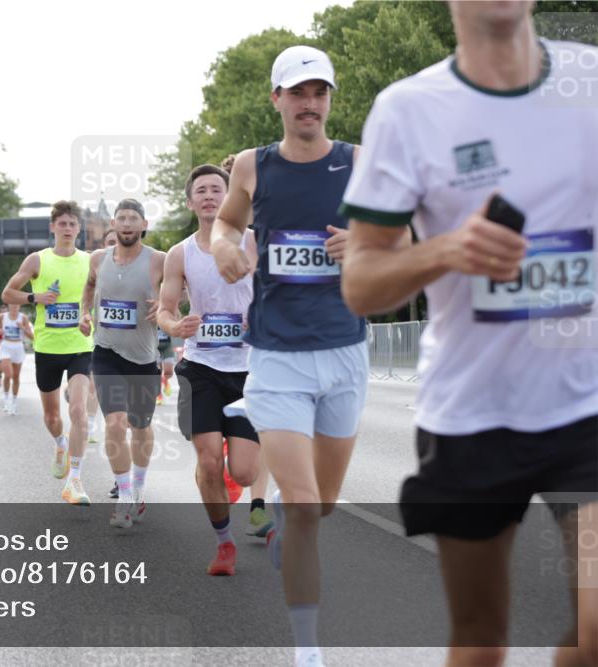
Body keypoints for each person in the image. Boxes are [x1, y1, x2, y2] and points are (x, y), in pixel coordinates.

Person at [339, 3, 598, 665]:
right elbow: (362, 281)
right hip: (473, 414)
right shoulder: (409, 109)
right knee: (482, 638)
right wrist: (446, 251)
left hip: (585, 404)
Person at [211, 45, 362, 667]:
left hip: (346, 351)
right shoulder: (252, 166)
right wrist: (225, 246)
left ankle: (288, 519)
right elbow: (225, 224)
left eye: (319, 92)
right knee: (302, 508)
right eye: (298, 92)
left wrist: (369, 240)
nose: (310, 103)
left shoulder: (361, 163)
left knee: (320, 506)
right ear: (276, 99)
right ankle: (308, 652)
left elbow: (407, 232)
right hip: (276, 357)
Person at [160, 164, 269, 575]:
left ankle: (234, 464)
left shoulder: (256, 244)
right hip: (200, 365)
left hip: (248, 369)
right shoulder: (180, 254)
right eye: (200, 191)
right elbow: (166, 311)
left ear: (229, 197)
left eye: (216, 189)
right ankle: (224, 545)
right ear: (190, 203)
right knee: (208, 464)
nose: (208, 195)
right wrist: (176, 325)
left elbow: (279, 296)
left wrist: (258, 319)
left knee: (241, 470)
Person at [1, 200, 94, 505]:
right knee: (52, 415)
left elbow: (100, 297)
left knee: (79, 411)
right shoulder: (37, 261)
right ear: (53, 227)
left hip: (81, 345)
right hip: (47, 347)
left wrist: (89, 315)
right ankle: (59, 443)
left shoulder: (91, 261)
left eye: (72, 224)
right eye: (62, 224)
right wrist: (34, 296)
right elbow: (7, 293)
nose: (67, 229)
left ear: (79, 229)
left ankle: (75, 480)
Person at [81, 198, 166, 528]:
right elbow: (89, 287)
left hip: (144, 357)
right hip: (106, 353)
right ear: (113, 226)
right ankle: (126, 497)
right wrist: (85, 312)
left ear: (143, 225)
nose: (127, 223)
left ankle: (140, 486)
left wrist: (165, 304)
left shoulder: (158, 260)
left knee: (140, 426)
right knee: (115, 423)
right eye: (121, 219)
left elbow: (182, 291)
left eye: (134, 218)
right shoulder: (98, 258)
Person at [0, 304, 34, 414]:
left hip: (18, 347)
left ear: (19, 306)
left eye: (16, 304)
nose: (14, 306)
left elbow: (31, 337)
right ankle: (6, 399)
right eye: (12, 304)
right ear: (9, 305)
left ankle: (14, 402)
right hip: (6, 346)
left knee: (16, 376)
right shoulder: (2, 317)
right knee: (8, 374)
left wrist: (22, 328)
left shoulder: (23, 318)